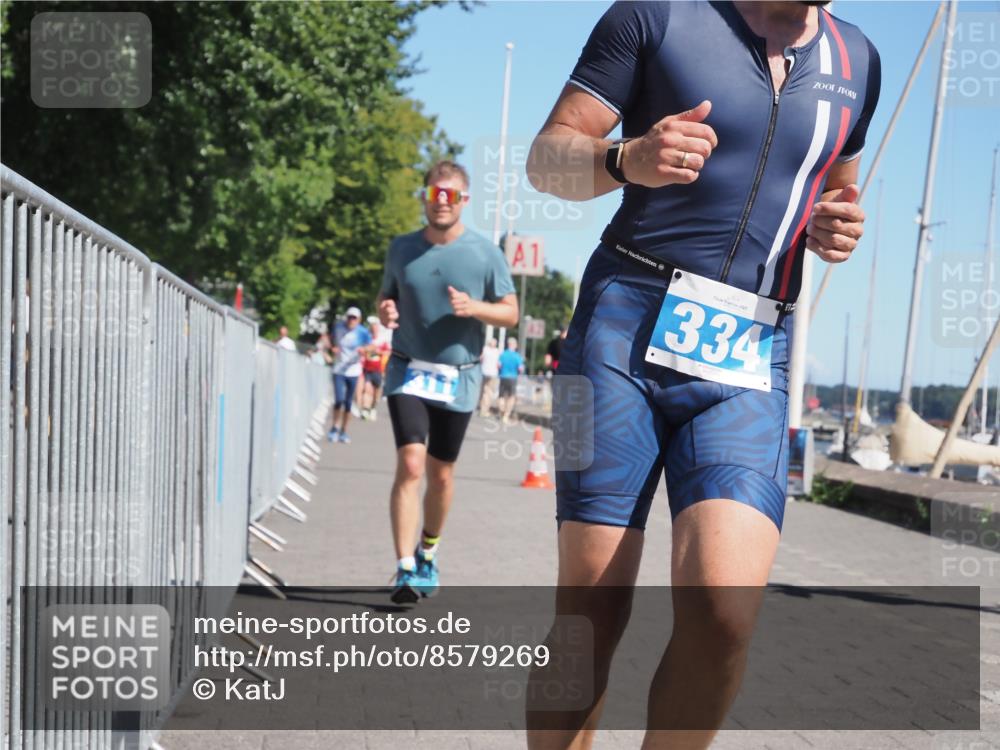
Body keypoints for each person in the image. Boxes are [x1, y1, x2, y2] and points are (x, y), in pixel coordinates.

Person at [525, 1, 880, 747]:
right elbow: (546, 160)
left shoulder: (858, 61)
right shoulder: (656, 16)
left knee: (724, 613)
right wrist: (625, 160)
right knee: (591, 608)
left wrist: (836, 225)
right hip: (619, 328)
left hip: (750, 347)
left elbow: (835, 192)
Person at [377, 160, 518, 604]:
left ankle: (428, 552)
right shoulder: (402, 247)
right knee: (411, 464)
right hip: (408, 369)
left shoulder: (485, 253)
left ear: (464, 200)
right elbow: (386, 296)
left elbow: (511, 312)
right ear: (424, 196)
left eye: (450, 195)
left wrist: (475, 308)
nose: (441, 202)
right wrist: (385, 310)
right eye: (435, 194)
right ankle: (404, 568)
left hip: (459, 377)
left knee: (440, 475)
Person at [328, 307, 372, 444]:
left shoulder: (362, 332)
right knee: (339, 400)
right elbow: (329, 339)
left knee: (348, 403)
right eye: (349, 317)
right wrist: (333, 347)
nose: (351, 320)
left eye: (354, 318)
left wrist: (364, 349)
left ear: (359, 320)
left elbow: (372, 347)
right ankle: (334, 427)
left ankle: (344, 431)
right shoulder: (338, 327)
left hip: (353, 370)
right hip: (339, 369)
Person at [360, 316, 392, 421]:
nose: (374, 329)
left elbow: (389, 352)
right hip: (367, 369)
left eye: (376, 327)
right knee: (367, 389)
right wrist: (366, 350)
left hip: (379, 370)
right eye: (372, 327)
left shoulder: (382, 340)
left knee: (376, 393)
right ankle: (365, 409)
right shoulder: (367, 339)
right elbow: (362, 350)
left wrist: (379, 352)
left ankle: (373, 408)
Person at [496, 337, 525, 425]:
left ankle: (502, 410)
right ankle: (506, 415)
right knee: (511, 397)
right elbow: (520, 368)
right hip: (513, 378)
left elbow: (498, 365)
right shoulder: (517, 356)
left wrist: (500, 372)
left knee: (501, 395)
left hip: (503, 376)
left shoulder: (503, 354)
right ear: (514, 345)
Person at [478, 337, 501, 417]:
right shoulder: (497, 351)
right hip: (493, 373)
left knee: (484, 391)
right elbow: (499, 364)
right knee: (490, 392)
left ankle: (482, 408)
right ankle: (486, 409)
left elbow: (481, 359)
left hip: (484, 372)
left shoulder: (485, 349)